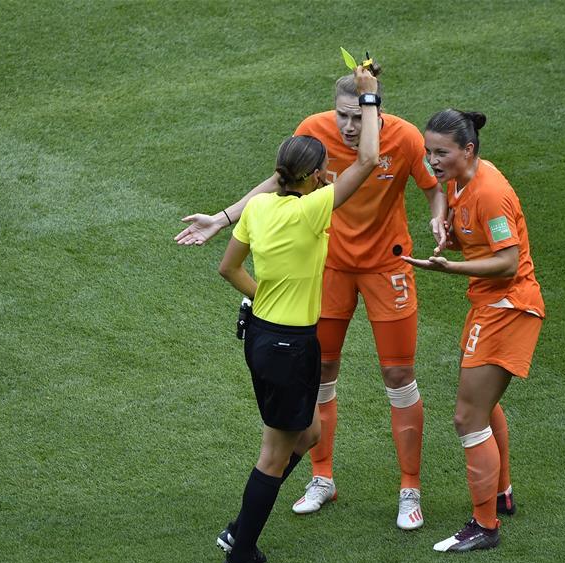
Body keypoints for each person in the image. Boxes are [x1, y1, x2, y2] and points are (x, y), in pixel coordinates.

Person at [175, 69, 520, 530]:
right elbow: (276, 182)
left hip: (387, 267)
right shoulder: (312, 131)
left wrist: (437, 217)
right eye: (342, 115)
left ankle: (410, 488)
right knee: (320, 371)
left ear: (375, 111)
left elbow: (432, 187)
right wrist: (222, 218)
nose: (349, 126)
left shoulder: (405, 137)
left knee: (399, 376)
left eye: (359, 116)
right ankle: (321, 478)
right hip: (331, 268)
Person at [215, 66, 380, 563]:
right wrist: (369, 98)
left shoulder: (260, 207)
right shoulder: (313, 211)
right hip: (288, 346)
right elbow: (369, 160)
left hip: (265, 334)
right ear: (313, 177)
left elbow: (229, 268)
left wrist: (266, 296)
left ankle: (240, 528)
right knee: (274, 454)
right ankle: (239, 559)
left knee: (308, 433)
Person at [402, 110, 545, 552]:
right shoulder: (459, 179)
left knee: (467, 417)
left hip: (508, 307)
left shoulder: (491, 193)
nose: (432, 161)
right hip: (489, 305)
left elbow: (508, 261)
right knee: (482, 406)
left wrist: (451, 267)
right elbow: (466, 221)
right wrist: (446, 228)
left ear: (468, 150)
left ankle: (485, 526)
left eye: (440, 153)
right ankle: (501, 494)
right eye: (428, 152)